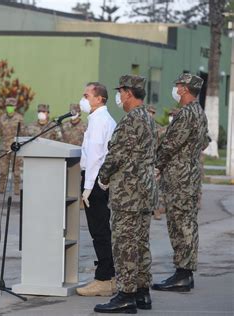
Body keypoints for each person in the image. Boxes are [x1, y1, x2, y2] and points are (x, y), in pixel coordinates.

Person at [95, 75, 157, 313]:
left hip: (128, 194)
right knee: (140, 243)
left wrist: (102, 177)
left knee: (124, 245)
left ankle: (126, 295)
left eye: (120, 92)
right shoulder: (149, 119)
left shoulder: (131, 120)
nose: (119, 96)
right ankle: (142, 293)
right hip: (144, 192)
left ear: (129, 93)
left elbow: (116, 155)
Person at [152, 73, 209, 293]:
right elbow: (203, 143)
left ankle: (183, 275)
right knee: (184, 224)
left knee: (181, 226)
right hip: (189, 175)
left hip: (180, 179)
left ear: (185, 89)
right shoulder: (199, 113)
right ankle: (182, 272)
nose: (175, 88)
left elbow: (169, 145)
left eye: (177, 85)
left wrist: (157, 165)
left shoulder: (186, 114)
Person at [76, 82, 117, 297]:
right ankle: (107, 276)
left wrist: (88, 188)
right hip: (98, 180)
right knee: (100, 229)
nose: (83, 99)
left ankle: (104, 279)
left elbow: (95, 157)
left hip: (95, 181)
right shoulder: (99, 119)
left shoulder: (100, 121)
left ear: (99, 98)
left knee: (99, 231)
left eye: (86, 95)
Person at [0, 97, 24, 195]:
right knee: (3, 170)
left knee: (16, 170)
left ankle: (16, 189)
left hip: (15, 147)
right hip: (4, 147)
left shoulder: (19, 118)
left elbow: (23, 132)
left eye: (11, 106)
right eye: (8, 106)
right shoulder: (1, 118)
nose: (9, 108)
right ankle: (1, 187)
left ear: (15, 106)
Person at [147, 105, 166, 221]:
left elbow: (164, 146)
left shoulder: (158, 128)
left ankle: (156, 211)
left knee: (154, 188)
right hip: (140, 162)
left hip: (153, 161)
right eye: (149, 112)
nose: (150, 115)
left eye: (152, 113)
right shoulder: (139, 126)